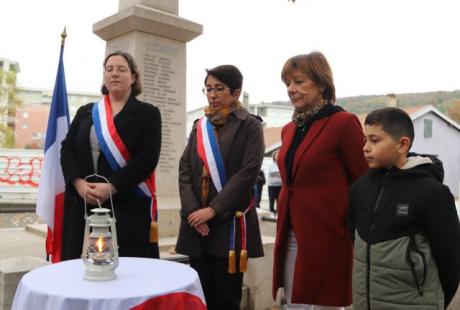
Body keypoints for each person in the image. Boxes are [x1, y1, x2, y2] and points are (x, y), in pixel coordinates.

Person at [272, 52, 368, 309]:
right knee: (294, 303)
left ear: (322, 84)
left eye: (299, 82)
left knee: (327, 304)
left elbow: (363, 181)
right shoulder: (289, 129)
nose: (292, 90)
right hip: (290, 231)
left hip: (329, 235)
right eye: (288, 84)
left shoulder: (343, 123)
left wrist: (352, 229)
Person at [347, 107, 460, 309]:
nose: (365, 147)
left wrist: (434, 302)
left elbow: (451, 259)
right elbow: (353, 238)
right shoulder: (359, 188)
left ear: (402, 144)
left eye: (374, 140)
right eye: (365, 140)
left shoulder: (432, 193)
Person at [176, 65, 264, 310]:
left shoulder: (250, 126)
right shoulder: (199, 126)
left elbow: (248, 173)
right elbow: (184, 170)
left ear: (236, 93)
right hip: (197, 226)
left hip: (228, 224)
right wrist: (194, 212)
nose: (212, 95)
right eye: (208, 89)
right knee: (201, 297)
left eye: (219, 89)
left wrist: (212, 210)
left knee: (226, 299)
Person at [60, 51, 162, 260]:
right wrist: (78, 183)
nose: (114, 74)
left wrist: (112, 187)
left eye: (121, 69)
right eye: (109, 69)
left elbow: (147, 158)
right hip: (84, 203)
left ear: (133, 77)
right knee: (83, 271)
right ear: (104, 76)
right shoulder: (86, 112)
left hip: (127, 205)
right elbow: (67, 149)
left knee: (124, 273)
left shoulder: (148, 114)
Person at [266, 150, 282, 215]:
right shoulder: (271, 164)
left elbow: (283, 173)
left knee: (280, 202)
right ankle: (272, 215)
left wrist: (278, 173)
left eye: (279, 155)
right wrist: (279, 173)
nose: (277, 156)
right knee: (271, 202)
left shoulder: (281, 164)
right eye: (276, 155)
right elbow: (271, 172)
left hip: (280, 186)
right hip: (272, 186)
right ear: (274, 156)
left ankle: (278, 216)